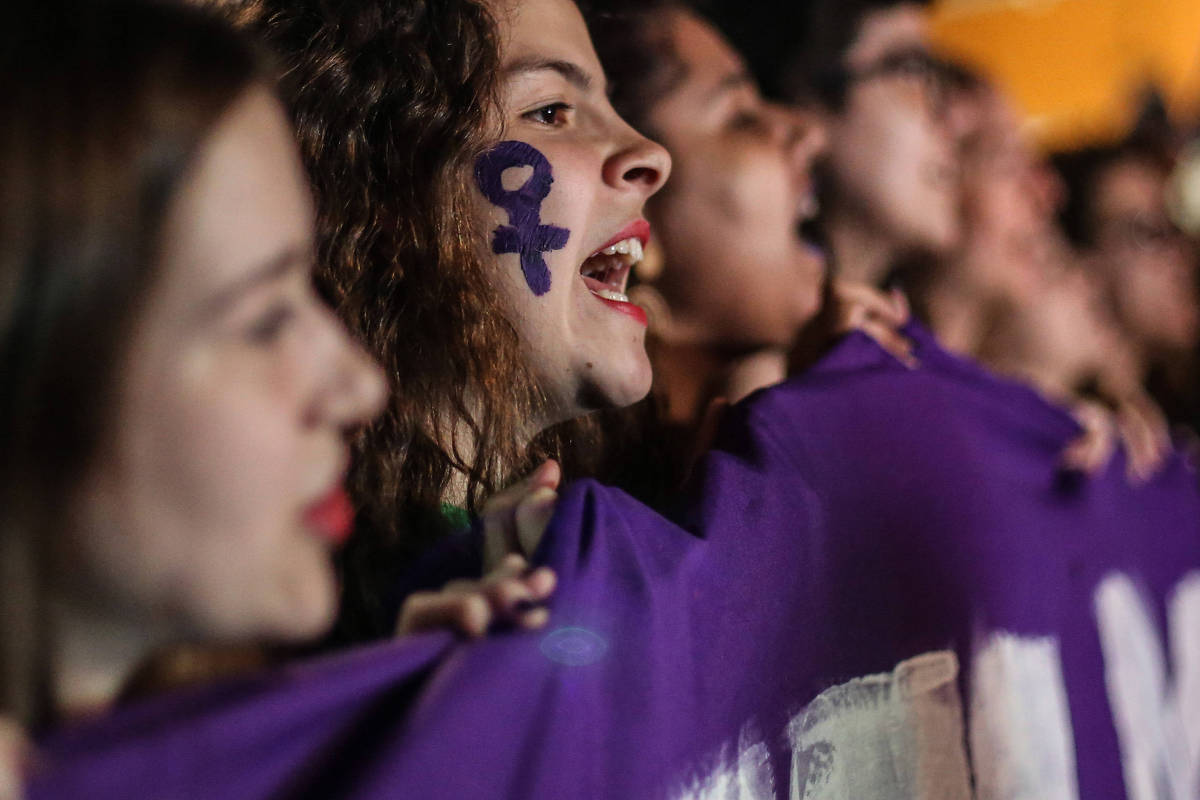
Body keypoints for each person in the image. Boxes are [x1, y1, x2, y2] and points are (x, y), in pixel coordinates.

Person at [227, 0, 671, 640]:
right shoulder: (284, 607)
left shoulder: (623, 510)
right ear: (384, 198)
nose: (651, 154)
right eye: (550, 112)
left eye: (611, 103)